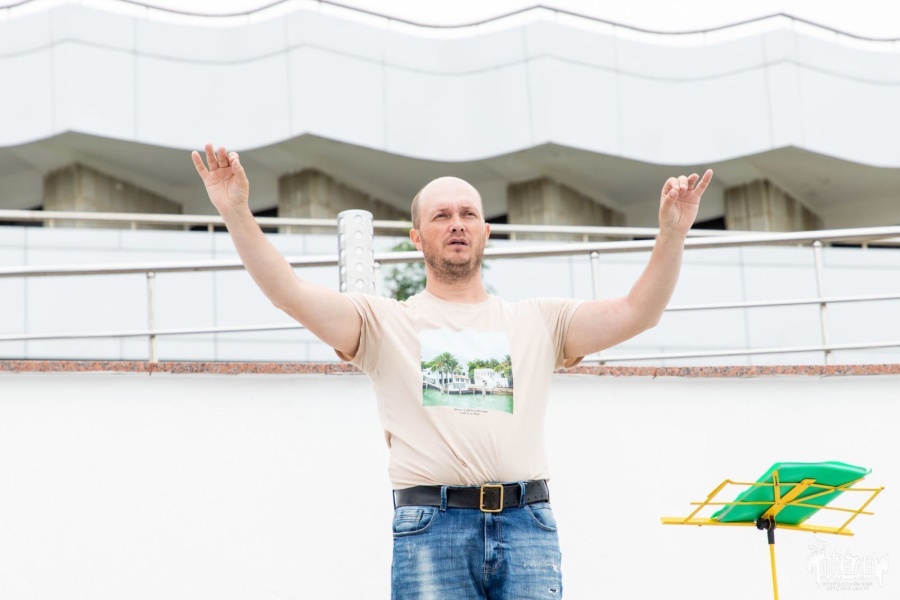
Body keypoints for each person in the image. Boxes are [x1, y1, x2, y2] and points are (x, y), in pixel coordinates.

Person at [192, 144, 713, 599]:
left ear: (486, 232)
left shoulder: (539, 320)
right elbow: (288, 292)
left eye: (468, 213)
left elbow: (639, 313)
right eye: (441, 215)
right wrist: (236, 211)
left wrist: (673, 233)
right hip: (431, 529)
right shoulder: (383, 322)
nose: (457, 223)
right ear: (417, 238)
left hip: (527, 525)